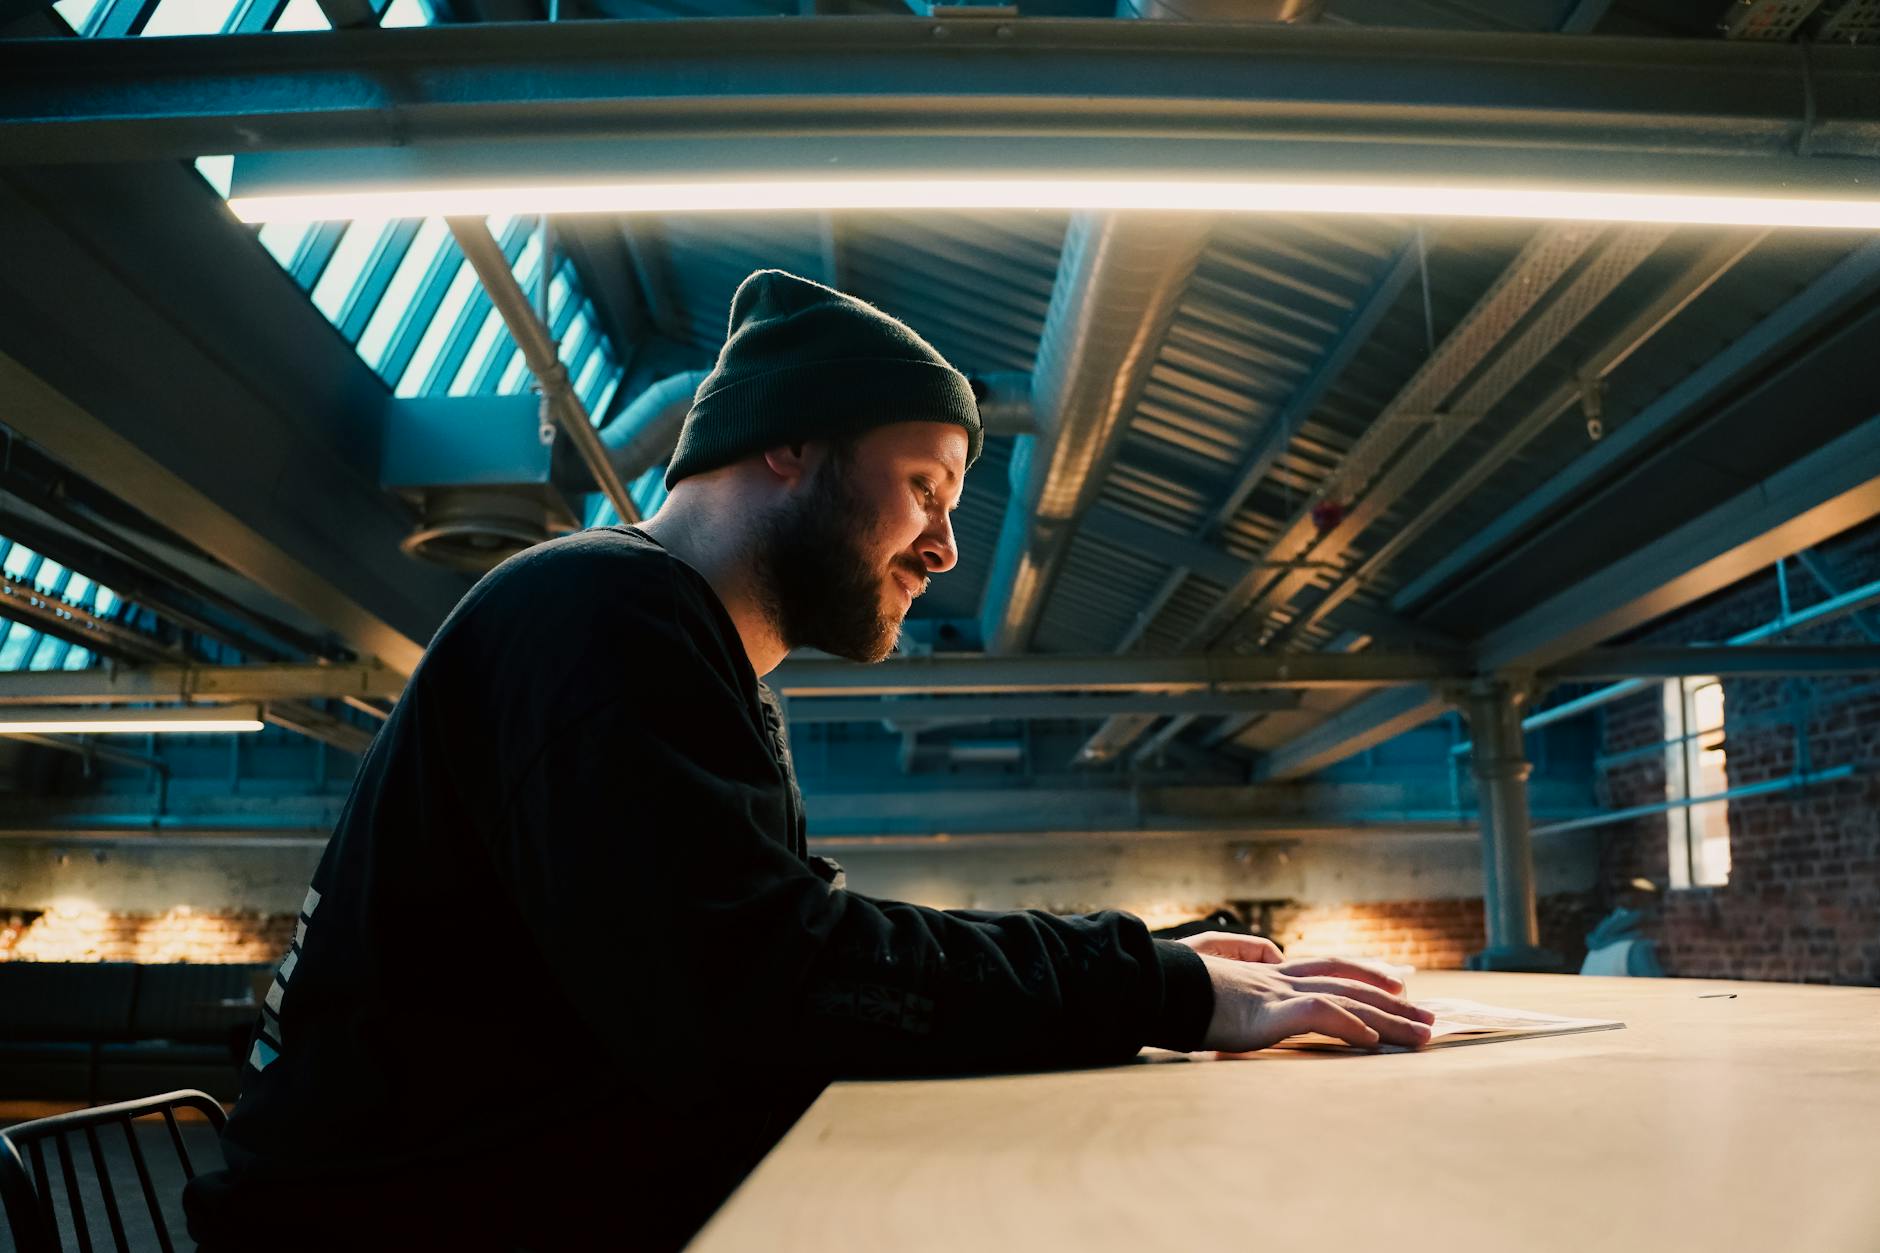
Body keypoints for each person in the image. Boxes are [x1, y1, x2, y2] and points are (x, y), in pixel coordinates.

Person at [184, 270, 1433, 1251]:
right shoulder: (601, 614)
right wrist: (1150, 985)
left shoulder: (675, 643)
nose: (944, 545)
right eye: (923, 486)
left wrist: (1137, 972)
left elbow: (788, 956)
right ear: (790, 443)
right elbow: (759, 990)